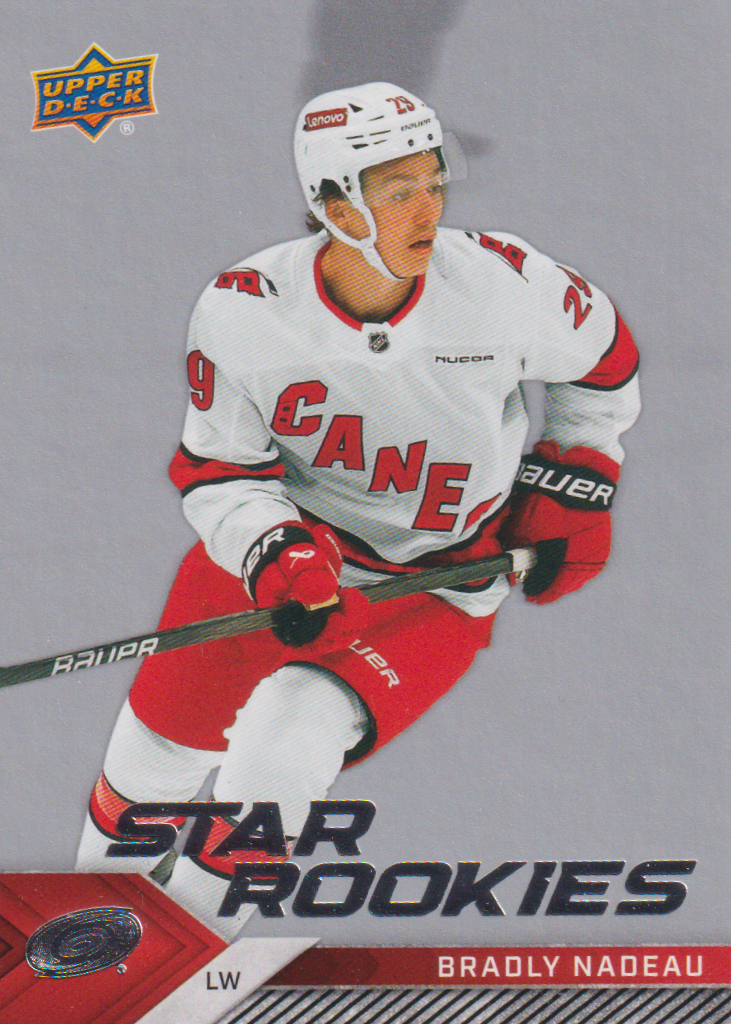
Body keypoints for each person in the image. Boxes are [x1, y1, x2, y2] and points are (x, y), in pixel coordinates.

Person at [76, 82, 640, 939]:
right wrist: (273, 547)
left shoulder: (503, 284)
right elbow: (219, 471)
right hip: (279, 565)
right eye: (398, 190)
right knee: (150, 769)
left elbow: (603, 364)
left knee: (283, 747)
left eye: (434, 181)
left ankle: (175, 956)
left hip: (438, 584)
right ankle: (73, 942)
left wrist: (576, 474)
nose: (429, 209)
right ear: (335, 206)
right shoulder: (244, 312)